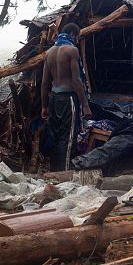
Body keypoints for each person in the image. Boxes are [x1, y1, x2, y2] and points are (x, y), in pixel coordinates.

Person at [41, 23, 92, 171]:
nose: (77, 41)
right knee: (68, 137)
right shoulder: (72, 51)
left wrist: (44, 106)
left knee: (55, 137)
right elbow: (76, 81)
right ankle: (64, 173)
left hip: (53, 99)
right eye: (78, 37)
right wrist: (86, 105)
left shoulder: (49, 53)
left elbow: (45, 84)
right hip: (68, 99)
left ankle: (54, 171)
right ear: (73, 35)